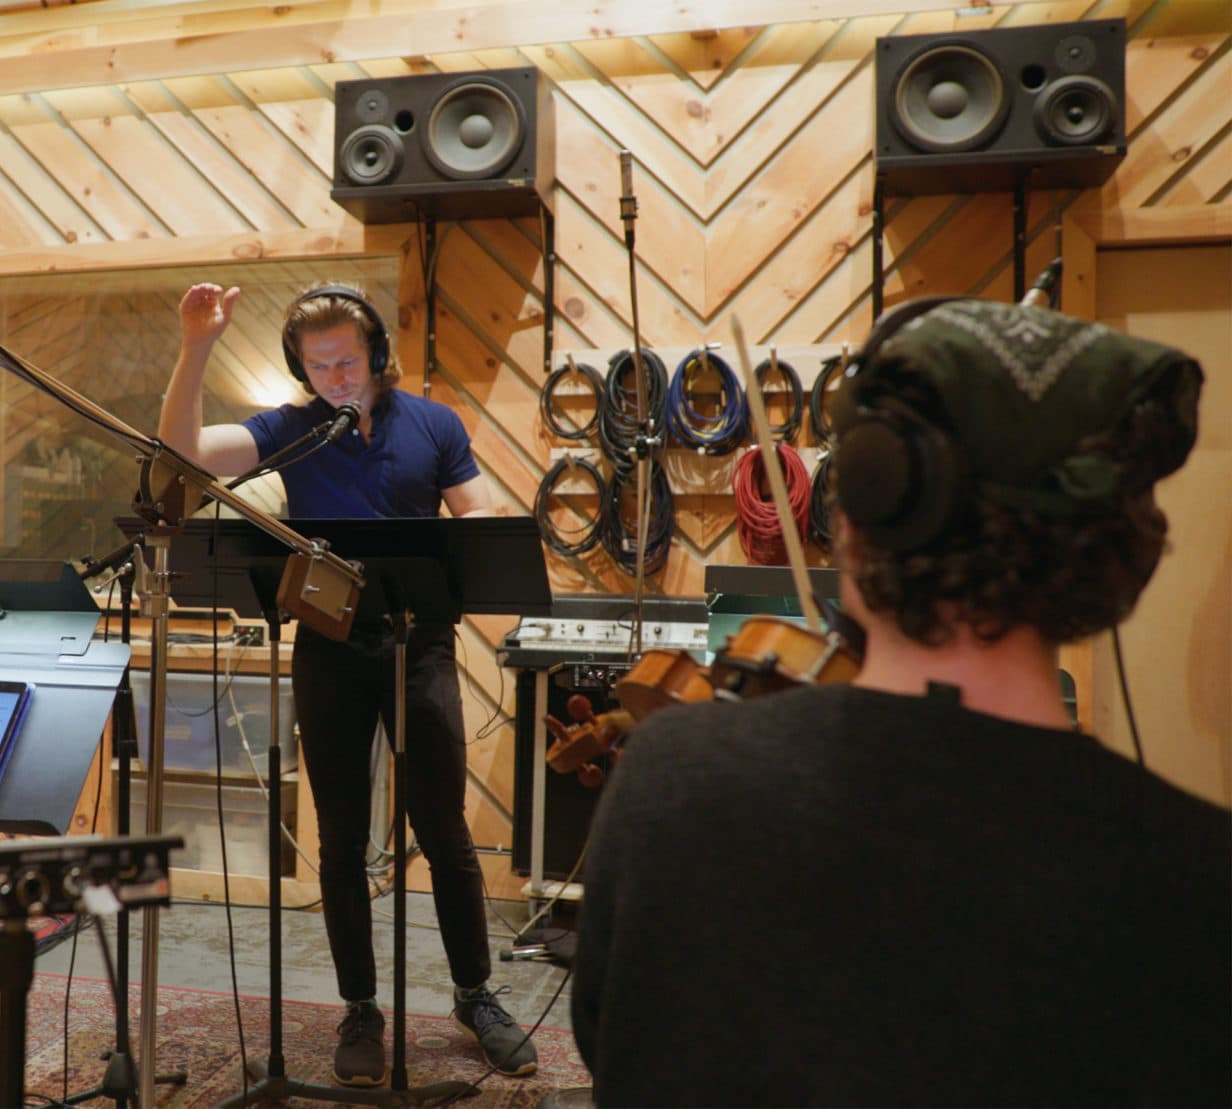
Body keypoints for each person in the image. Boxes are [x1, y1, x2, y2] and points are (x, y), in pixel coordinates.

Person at [570, 299, 1230, 1105]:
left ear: (855, 518)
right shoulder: (1200, 885)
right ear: (1126, 560)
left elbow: (611, 1046)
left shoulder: (668, 780)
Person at [158, 283, 538, 1086]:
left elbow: (477, 510)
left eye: (348, 360)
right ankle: (360, 1007)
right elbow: (184, 454)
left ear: (378, 356)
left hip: (420, 645)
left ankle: (475, 994)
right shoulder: (291, 432)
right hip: (329, 646)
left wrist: (472, 526)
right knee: (338, 840)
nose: (334, 376)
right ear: (301, 365)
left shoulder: (433, 422)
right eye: (318, 363)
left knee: (444, 830)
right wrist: (197, 346)